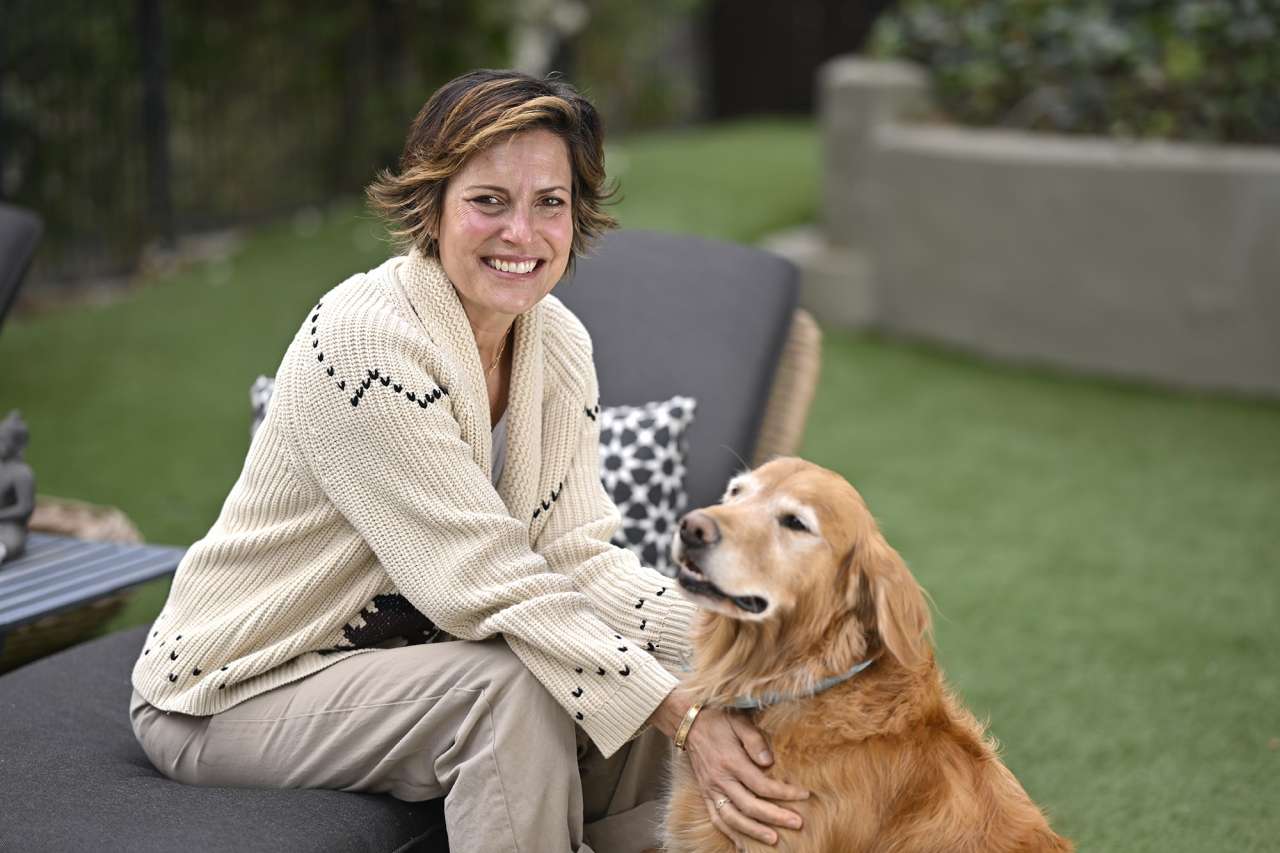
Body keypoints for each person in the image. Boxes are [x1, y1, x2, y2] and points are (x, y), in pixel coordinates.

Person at [128, 69, 807, 853]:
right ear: (434, 203)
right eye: (489, 200)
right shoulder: (365, 344)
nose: (522, 233)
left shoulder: (556, 344)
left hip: (393, 666)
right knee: (512, 690)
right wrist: (680, 706)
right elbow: (483, 577)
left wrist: (740, 646)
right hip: (231, 690)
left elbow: (577, 558)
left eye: (549, 202)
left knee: (653, 684)